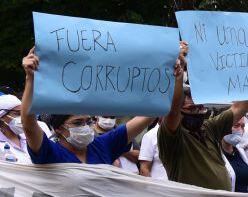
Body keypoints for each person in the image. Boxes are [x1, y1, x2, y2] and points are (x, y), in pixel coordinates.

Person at [20, 47, 161, 166]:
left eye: (88, 122)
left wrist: (169, 72)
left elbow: (149, 114)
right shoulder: (49, 152)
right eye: (77, 122)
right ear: (58, 128)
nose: (85, 127)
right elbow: (28, 125)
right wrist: (30, 78)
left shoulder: (103, 145)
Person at [156, 44, 248, 189]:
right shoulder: (173, 137)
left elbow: (241, 106)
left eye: (200, 99)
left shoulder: (209, 128)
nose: (198, 103)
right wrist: (179, 75)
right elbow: (173, 111)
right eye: (191, 96)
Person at [220, 118, 248, 193]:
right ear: (222, 126)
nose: (240, 130)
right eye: (236, 125)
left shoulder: (240, 151)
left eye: (242, 126)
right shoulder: (214, 153)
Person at [0, 94, 32, 164]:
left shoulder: (31, 138)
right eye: (17, 114)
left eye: (23, 114)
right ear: (2, 117)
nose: (22, 118)